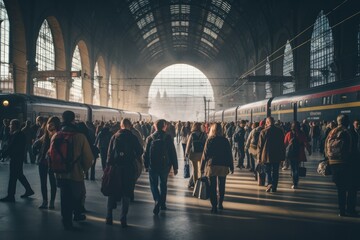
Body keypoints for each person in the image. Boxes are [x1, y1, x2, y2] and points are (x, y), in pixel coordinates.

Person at [50, 111, 93, 230]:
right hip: (75, 174)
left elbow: (50, 154)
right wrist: (83, 169)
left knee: (64, 197)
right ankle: (77, 214)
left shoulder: (56, 135)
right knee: (77, 196)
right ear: (74, 120)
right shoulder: (80, 137)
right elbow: (88, 158)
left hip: (60, 174)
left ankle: (66, 220)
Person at [105, 119, 143, 227]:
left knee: (112, 191)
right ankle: (123, 218)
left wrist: (109, 167)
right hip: (128, 168)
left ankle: (109, 217)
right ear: (130, 126)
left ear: (121, 126)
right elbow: (140, 151)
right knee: (126, 193)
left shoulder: (115, 137)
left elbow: (109, 154)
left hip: (115, 168)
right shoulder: (133, 137)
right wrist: (132, 157)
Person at [143, 119, 178, 215]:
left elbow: (145, 154)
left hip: (153, 166)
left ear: (155, 126)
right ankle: (163, 204)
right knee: (163, 184)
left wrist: (146, 165)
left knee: (153, 184)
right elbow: (172, 152)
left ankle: (157, 199)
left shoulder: (150, 138)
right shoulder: (168, 138)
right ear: (164, 126)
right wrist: (175, 167)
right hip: (165, 166)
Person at [325, 114, 357, 217]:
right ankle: (350, 209)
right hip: (346, 164)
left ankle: (341, 210)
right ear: (346, 122)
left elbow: (325, 147)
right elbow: (353, 150)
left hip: (333, 164)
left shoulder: (331, 132)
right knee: (352, 187)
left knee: (341, 189)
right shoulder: (349, 133)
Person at [201, 123, 234, 213]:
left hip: (212, 165)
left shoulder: (209, 140)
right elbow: (229, 154)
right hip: (223, 165)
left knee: (212, 187)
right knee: (221, 186)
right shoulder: (225, 140)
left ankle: (214, 206)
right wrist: (231, 166)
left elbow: (205, 154)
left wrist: (202, 167)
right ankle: (220, 204)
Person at [0, 119, 34, 202]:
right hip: (17, 158)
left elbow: (11, 147)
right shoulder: (18, 134)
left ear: (15, 125)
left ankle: (11, 196)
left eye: (11, 124)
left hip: (16, 158)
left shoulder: (18, 134)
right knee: (19, 175)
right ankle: (29, 190)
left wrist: (2, 154)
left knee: (13, 177)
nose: (9, 126)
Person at [32, 116, 60, 209]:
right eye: (49, 123)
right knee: (43, 183)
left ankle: (51, 202)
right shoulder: (46, 135)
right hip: (43, 161)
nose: (49, 126)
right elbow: (37, 142)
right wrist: (35, 145)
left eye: (52, 124)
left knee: (52, 183)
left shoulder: (58, 135)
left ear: (56, 125)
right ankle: (45, 201)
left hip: (52, 162)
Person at [257, 117, 285, 193]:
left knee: (268, 171)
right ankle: (274, 187)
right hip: (277, 155)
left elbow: (260, 147)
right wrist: (283, 156)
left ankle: (269, 184)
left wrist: (258, 158)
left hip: (266, 156)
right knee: (275, 172)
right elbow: (282, 145)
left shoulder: (263, 132)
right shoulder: (279, 131)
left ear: (268, 122)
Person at [284, 121, 311, 189]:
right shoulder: (302, 134)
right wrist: (309, 150)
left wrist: (284, 153)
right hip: (299, 153)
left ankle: (294, 180)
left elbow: (285, 144)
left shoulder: (288, 134)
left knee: (293, 167)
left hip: (291, 154)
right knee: (296, 167)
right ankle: (295, 181)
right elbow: (306, 143)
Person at [185, 122, 207, 187]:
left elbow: (188, 145)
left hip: (193, 154)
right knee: (201, 170)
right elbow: (206, 145)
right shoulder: (204, 134)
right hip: (201, 154)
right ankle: (200, 184)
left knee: (195, 170)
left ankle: (195, 185)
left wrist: (186, 154)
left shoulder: (192, 135)